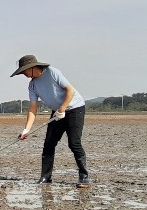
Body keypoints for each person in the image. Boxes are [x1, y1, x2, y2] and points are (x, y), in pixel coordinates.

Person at [11, 55, 90, 187]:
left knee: (74, 144)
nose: (24, 74)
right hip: (57, 112)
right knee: (49, 144)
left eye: (24, 71)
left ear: (32, 68)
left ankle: (84, 177)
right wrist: (27, 129)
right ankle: (46, 177)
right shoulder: (32, 85)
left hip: (74, 108)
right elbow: (33, 108)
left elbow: (70, 90)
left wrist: (62, 109)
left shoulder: (52, 73)